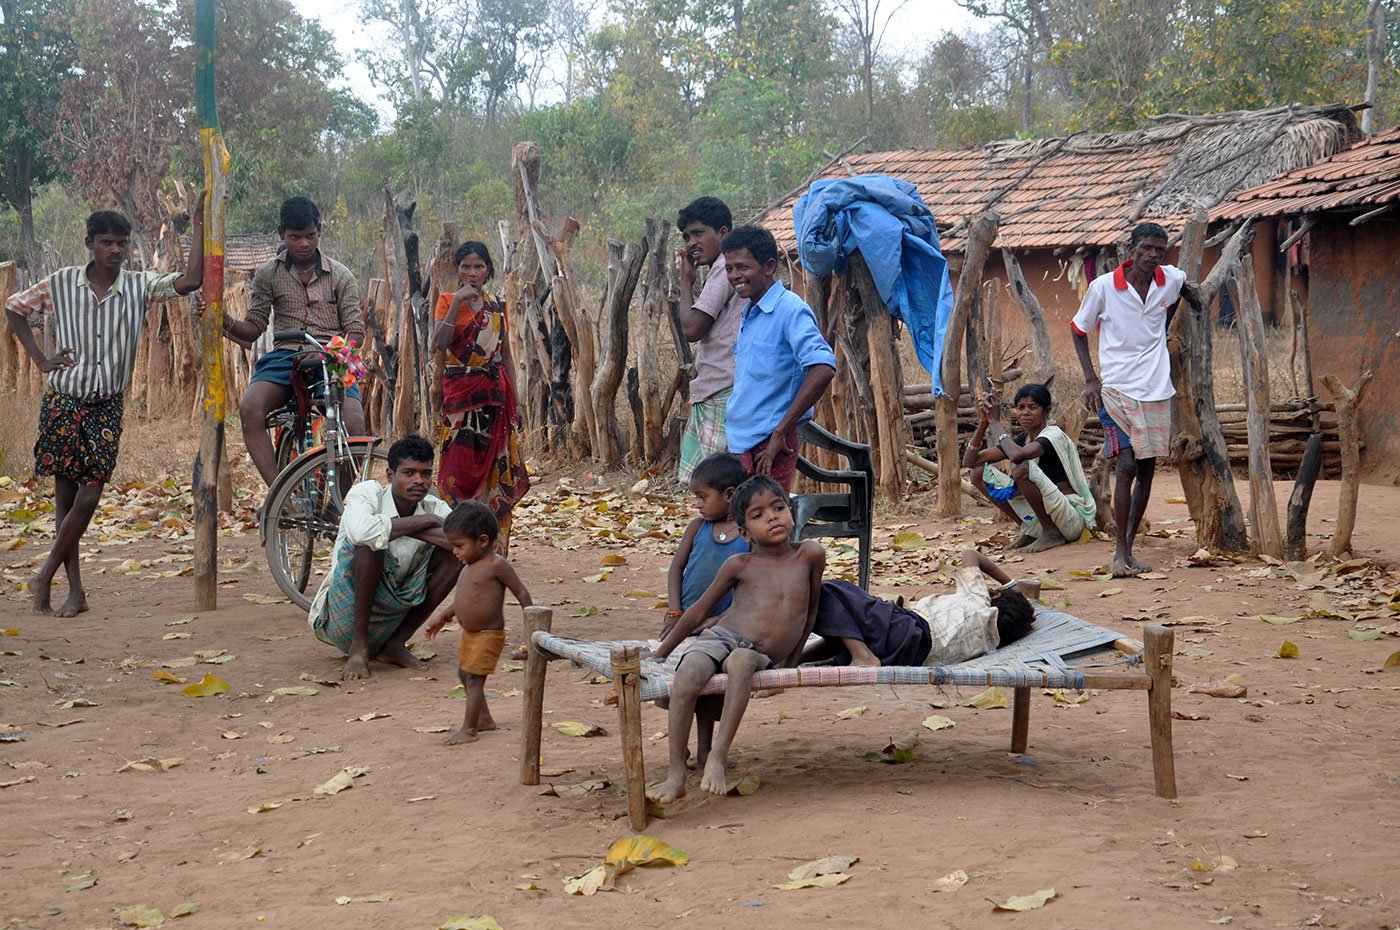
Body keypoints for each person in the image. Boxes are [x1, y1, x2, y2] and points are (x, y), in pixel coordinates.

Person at [5, 202, 205, 616]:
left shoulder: (138, 286)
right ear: (89, 244)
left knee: (89, 495)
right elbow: (13, 307)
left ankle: (43, 574)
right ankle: (74, 591)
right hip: (63, 400)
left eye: (121, 242)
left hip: (105, 406)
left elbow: (189, 280)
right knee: (64, 499)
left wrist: (199, 223)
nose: (115, 249)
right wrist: (41, 360)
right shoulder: (61, 284)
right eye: (106, 242)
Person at [647, 475, 826, 803]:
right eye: (758, 515)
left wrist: (792, 661)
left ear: (791, 512)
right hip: (722, 636)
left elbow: (810, 614)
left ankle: (717, 756)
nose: (772, 517)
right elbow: (699, 612)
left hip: (759, 652)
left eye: (777, 507)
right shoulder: (740, 563)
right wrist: (661, 652)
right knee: (689, 675)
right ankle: (676, 772)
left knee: (742, 662)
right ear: (744, 533)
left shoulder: (810, 555)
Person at [219, 196, 366, 487]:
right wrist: (222, 319)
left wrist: (335, 355)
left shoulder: (341, 275)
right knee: (250, 408)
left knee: (355, 425)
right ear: (281, 234)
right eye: (295, 237)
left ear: (319, 230)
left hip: (330, 361)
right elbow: (253, 328)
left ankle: (341, 501)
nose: (303, 244)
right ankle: (279, 495)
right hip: (284, 359)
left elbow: (355, 331)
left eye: (309, 236)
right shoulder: (267, 274)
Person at [1071, 222, 1184, 577]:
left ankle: (1130, 550)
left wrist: (1164, 327)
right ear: (1131, 250)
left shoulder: (1169, 280)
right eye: (1147, 248)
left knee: (1148, 471)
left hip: (1156, 389)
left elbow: (1184, 290)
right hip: (1117, 389)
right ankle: (1119, 553)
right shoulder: (1104, 287)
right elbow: (1077, 330)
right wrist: (1091, 379)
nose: (1153, 255)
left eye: (1159, 250)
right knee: (1127, 466)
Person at [307, 434, 458, 680]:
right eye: (409, 473)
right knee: (370, 546)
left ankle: (395, 644)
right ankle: (359, 649)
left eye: (426, 473)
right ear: (390, 474)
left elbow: (462, 542)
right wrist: (426, 522)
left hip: (396, 613)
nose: (419, 481)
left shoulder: (435, 506)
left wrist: (414, 526)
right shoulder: (367, 493)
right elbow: (362, 532)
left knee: (457, 557)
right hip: (346, 616)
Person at [431, 240, 529, 553]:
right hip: (461, 397)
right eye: (466, 267)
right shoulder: (447, 301)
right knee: (458, 470)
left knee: (494, 472)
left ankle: (492, 545)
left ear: (488, 270)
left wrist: (518, 401)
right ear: (457, 271)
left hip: (495, 397)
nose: (473, 273)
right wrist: (459, 302)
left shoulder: (498, 306)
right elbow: (439, 343)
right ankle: (457, 543)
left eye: (479, 266)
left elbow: (507, 356)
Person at [722, 226, 836, 493]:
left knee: (765, 524)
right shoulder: (750, 311)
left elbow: (823, 368)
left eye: (742, 267)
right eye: (729, 269)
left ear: (769, 266)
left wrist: (780, 432)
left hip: (770, 443)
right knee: (739, 522)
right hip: (741, 439)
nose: (735, 276)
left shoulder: (790, 310)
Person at [808, 550, 1037, 667]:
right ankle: (794, 658)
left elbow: (970, 554)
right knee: (843, 630)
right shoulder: (991, 639)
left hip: (909, 629)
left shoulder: (981, 602)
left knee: (831, 591)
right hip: (903, 654)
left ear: (994, 595)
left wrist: (1012, 586)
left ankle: (861, 656)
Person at [423, 501, 533, 745]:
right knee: (465, 675)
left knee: (473, 679)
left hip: (488, 634)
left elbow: (521, 593)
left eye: (459, 546)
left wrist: (533, 628)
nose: (455, 552)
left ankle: (469, 730)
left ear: (482, 541)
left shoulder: (497, 565)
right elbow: (463, 599)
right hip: (470, 635)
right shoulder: (468, 567)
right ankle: (484, 719)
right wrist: (443, 616)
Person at [963, 383, 1096, 553]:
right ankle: (1030, 530)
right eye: (1020, 407)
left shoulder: (1052, 434)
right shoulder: (1022, 440)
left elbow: (1018, 457)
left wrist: (995, 422)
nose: (1025, 412)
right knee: (977, 473)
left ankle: (1051, 533)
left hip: (1070, 519)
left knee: (1021, 467)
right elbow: (970, 462)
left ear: (1046, 411)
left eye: (1032, 407)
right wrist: (984, 423)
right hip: (1044, 519)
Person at [675, 197, 744, 484]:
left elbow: (692, 329)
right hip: (719, 387)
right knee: (712, 489)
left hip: (723, 388)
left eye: (699, 233)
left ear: (723, 234)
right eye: (686, 236)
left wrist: (686, 282)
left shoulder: (723, 270)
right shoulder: (724, 269)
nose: (692, 242)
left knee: (719, 488)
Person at [664, 453, 751, 631]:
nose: (697, 504)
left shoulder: (749, 535)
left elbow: (752, 591)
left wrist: (718, 620)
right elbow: (676, 568)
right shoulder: (697, 527)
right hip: (685, 618)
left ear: (729, 495)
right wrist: (675, 611)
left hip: (727, 625)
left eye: (702, 497)